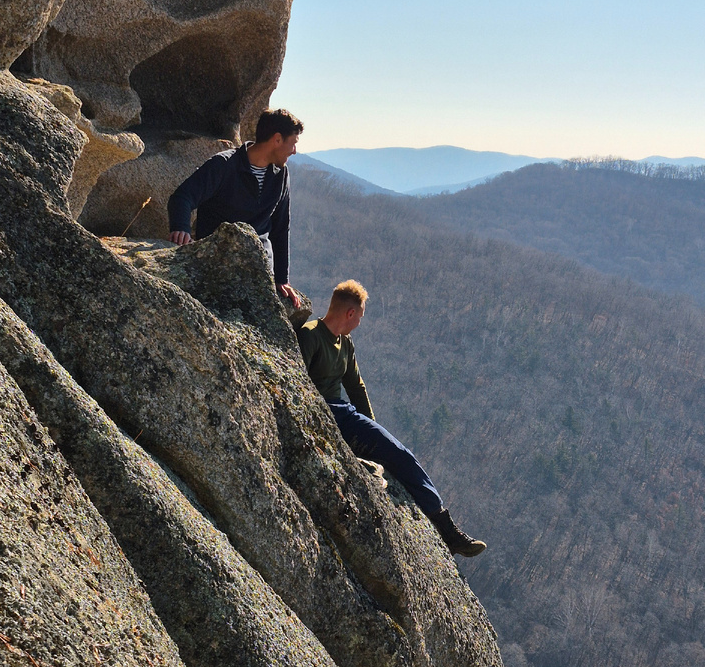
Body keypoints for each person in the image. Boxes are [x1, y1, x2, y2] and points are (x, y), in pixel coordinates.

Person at [297, 280, 486, 557]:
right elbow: (298, 383)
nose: (359, 323)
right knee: (401, 457)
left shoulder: (345, 343)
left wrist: (372, 427)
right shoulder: (310, 335)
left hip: (344, 413)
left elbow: (356, 387)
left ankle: (446, 528)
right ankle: (449, 533)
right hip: (327, 413)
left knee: (402, 456)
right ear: (350, 314)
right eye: (359, 317)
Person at [168, 109, 303, 306]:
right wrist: (181, 228)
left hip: (260, 269)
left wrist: (282, 278)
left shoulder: (281, 175)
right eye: (294, 143)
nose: (294, 151)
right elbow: (182, 197)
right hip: (217, 262)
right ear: (277, 139)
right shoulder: (224, 165)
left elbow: (280, 227)